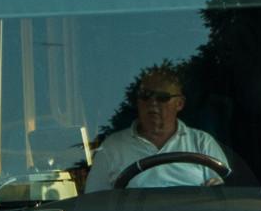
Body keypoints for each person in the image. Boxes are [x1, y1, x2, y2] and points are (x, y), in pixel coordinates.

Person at [85, 67, 229, 191]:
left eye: (162, 97)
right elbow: (94, 201)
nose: (152, 103)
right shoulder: (112, 146)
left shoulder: (202, 143)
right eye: (145, 96)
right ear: (138, 101)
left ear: (179, 104)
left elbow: (224, 197)